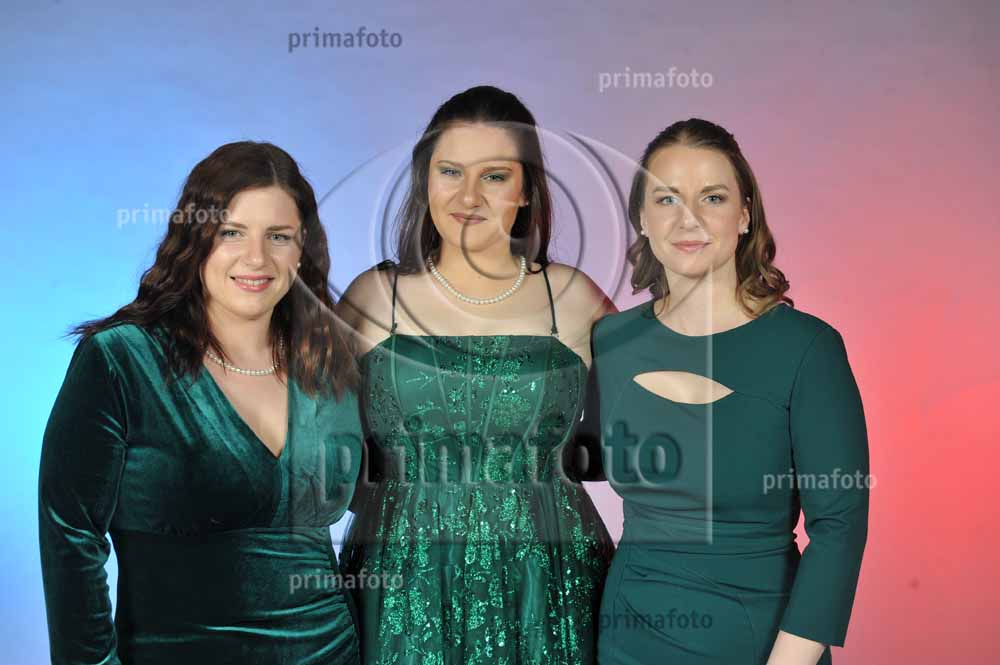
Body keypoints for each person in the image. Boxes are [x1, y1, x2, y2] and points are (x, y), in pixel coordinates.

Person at [39, 141, 364, 664]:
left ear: (301, 248)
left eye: (278, 236)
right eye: (232, 232)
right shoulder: (123, 360)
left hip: (333, 652)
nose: (256, 258)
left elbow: (383, 499)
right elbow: (71, 536)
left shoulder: (328, 365)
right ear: (195, 240)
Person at [338, 86, 615, 664]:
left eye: (494, 176)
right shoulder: (373, 298)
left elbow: (657, 412)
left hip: (550, 577)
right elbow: (308, 440)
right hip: (402, 577)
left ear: (526, 189)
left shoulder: (574, 299)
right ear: (424, 180)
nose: (468, 196)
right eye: (450, 172)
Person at [590, 119, 869, 665]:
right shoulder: (610, 341)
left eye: (712, 198)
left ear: (744, 215)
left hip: (764, 643)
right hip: (626, 638)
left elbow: (839, 528)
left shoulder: (808, 348)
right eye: (667, 199)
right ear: (641, 218)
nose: (688, 219)